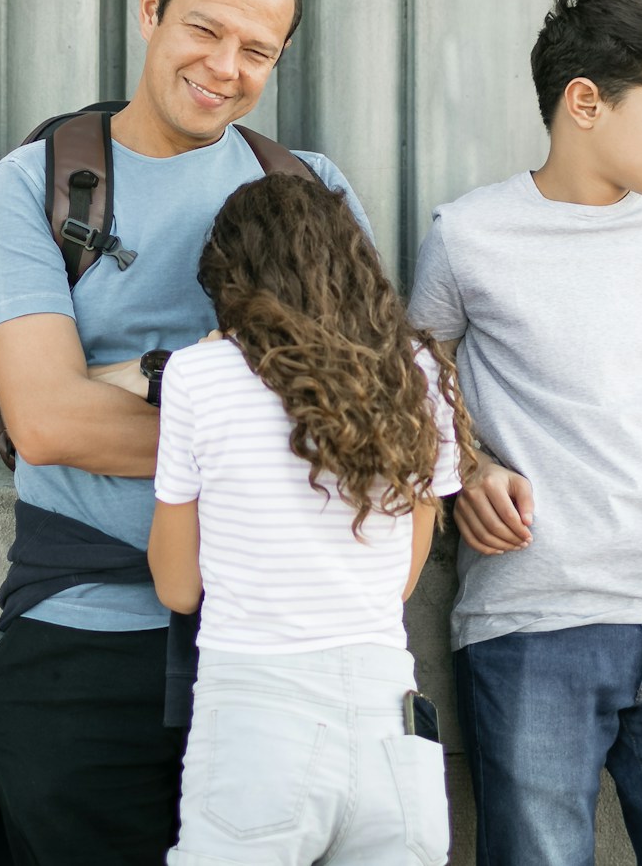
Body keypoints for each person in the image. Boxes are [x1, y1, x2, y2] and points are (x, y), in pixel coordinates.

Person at [0, 0, 372, 865]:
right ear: (151, 9)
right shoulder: (41, 183)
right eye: (205, 30)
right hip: (84, 637)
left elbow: (363, 415)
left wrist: (133, 377)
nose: (225, 66)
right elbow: (46, 419)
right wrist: (255, 410)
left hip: (283, 647)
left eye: (257, 50)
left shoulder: (307, 187)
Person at [406, 0, 642, 866]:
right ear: (585, 103)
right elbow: (419, 387)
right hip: (533, 623)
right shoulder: (469, 234)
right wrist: (474, 466)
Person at [145, 173, 473, 865]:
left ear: (230, 282)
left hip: (257, 723)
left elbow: (178, 586)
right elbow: (401, 581)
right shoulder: (414, 374)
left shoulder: (199, 375)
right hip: (393, 725)